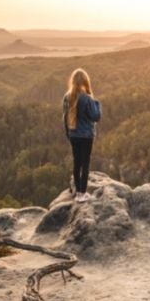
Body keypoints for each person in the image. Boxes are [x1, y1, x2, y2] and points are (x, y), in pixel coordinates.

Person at [63, 68, 101, 202]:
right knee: (85, 163)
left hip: (73, 135)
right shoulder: (87, 98)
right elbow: (96, 117)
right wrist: (97, 103)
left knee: (76, 163)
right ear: (85, 82)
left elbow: (65, 118)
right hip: (86, 136)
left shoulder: (67, 97)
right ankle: (82, 193)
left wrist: (69, 134)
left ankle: (77, 193)